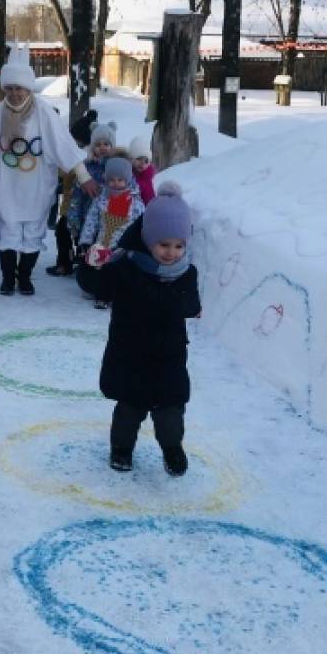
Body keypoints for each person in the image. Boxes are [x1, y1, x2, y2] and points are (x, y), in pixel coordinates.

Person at [0, 47, 101, 296]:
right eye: (9, 88)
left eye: (19, 88)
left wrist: (84, 177)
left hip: (37, 186)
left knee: (32, 233)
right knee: (8, 232)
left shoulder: (44, 113)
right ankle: (8, 278)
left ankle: (25, 277)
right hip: (8, 186)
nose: (15, 93)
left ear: (29, 88)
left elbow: (63, 145)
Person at [93, 181, 200, 477]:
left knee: (170, 411)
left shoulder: (186, 273)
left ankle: (172, 448)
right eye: (164, 244)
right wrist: (95, 267)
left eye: (178, 246)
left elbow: (191, 305)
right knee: (130, 408)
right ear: (148, 238)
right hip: (131, 352)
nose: (171, 253)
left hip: (169, 356)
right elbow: (100, 288)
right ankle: (121, 449)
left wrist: (187, 303)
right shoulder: (126, 267)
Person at [76, 156, 145, 309]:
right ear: (106, 180)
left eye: (120, 180)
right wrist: (86, 242)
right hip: (101, 245)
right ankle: (94, 289)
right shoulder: (101, 200)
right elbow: (91, 222)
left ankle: (108, 295)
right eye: (112, 180)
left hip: (122, 248)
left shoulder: (136, 204)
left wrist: (136, 247)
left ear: (127, 180)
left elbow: (140, 227)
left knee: (115, 270)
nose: (116, 183)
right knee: (94, 268)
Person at [48, 109, 99, 276]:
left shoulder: (85, 159)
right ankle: (68, 262)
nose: (74, 144)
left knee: (74, 235)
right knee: (65, 232)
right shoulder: (77, 156)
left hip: (82, 208)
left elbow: (65, 172)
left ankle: (75, 263)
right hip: (70, 206)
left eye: (77, 142)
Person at [66, 122, 116, 250]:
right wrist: (74, 217)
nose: (102, 147)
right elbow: (76, 195)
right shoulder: (86, 168)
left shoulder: (117, 167)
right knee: (87, 251)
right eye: (98, 145)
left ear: (112, 146)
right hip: (87, 220)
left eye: (106, 144)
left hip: (110, 222)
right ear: (92, 147)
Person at [129, 133, 156, 205]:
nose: (142, 163)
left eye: (146, 161)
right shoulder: (126, 174)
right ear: (131, 159)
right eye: (139, 159)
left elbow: (150, 200)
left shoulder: (147, 179)